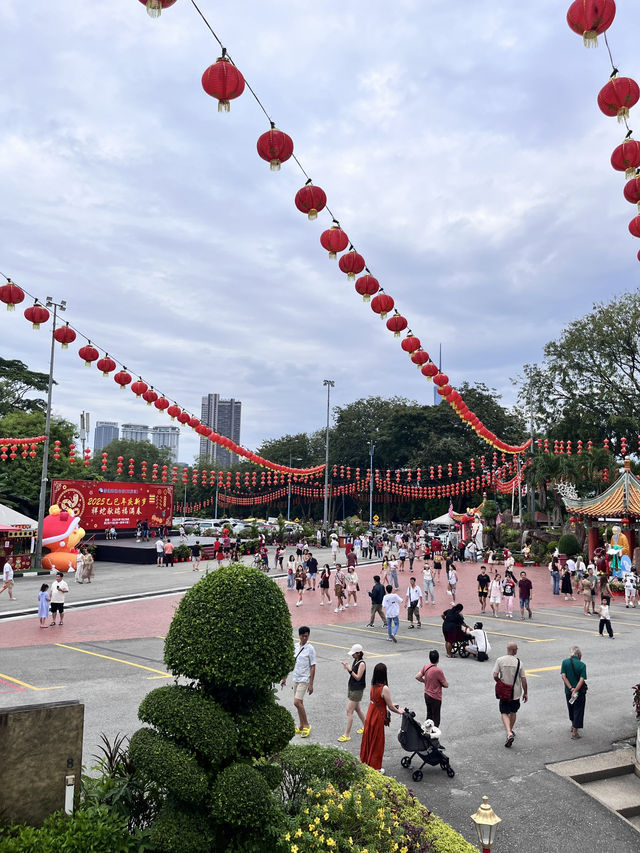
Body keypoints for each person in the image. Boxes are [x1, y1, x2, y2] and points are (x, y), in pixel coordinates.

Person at [360, 662, 404, 771]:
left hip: (371, 714)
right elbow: (390, 706)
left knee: (369, 740)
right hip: (378, 717)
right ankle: (375, 767)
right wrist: (400, 711)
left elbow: (379, 701)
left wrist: (391, 704)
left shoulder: (372, 686)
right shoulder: (384, 688)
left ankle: (367, 762)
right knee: (377, 742)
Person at [281, 626, 316, 738]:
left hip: (304, 679)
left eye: (307, 636)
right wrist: (285, 677)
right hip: (295, 678)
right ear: (299, 636)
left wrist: (311, 684)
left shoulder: (310, 649)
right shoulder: (295, 647)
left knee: (296, 702)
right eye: (303, 636)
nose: (305, 638)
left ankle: (306, 725)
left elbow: (313, 666)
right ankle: (301, 725)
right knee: (299, 704)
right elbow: (290, 662)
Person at [493, 641, 528, 747]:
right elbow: (523, 680)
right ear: (513, 650)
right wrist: (525, 692)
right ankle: (510, 731)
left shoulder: (500, 660)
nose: (517, 650)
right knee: (513, 711)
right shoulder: (519, 662)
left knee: (504, 712)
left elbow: (495, 675)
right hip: (516, 693)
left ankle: (508, 733)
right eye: (516, 649)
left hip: (504, 692)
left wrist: (500, 682)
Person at [338, 644, 367, 742]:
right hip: (353, 687)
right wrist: (348, 668)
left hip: (357, 689)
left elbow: (358, 677)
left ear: (358, 653)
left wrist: (349, 670)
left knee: (349, 711)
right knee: (357, 709)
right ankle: (367, 726)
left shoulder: (362, 663)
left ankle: (347, 735)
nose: (352, 656)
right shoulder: (356, 660)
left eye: (354, 654)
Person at [415, 650, 448, 727]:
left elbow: (417, 677)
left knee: (429, 715)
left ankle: (426, 733)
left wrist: (425, 681)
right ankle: (433, 735)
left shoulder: (426, 667)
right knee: (436, 719)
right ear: (438, 659)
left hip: (427, 694)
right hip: (435, 697)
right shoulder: (438, 671)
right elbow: (445, 685)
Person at [561, 645, 587, 739]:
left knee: (571, 708)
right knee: (578, 710)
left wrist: (571, 688)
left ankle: (573, 725)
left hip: (568, 691)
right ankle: (575, 732)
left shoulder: (565, 662)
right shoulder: (582, 665)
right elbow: (581, 680)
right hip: (579, 692)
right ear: (579, 654)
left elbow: (563, 676)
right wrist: (575, 690)